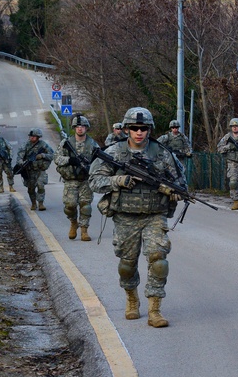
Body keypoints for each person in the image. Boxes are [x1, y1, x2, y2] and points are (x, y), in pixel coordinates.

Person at [89, 107, 186, 328]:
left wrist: (172, 190)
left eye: (143, 128)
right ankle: (132, 298)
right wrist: (118, 181)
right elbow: (94, 181)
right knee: (127, 264)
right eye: (134, 128)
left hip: (155, 215)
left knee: (158, 259)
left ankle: (155, 309)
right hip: (125, 217)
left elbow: (181, 183)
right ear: (126, 129)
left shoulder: (162, 153)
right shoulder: (114, 152)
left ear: (149, 130)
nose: (139, 132)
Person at [55, 114, 101, 241]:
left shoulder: (93, 144)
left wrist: (91, 168)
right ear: (74, 128)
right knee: (70, 206)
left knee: (85, 205)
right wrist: (70, 160)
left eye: (83, 127)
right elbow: (57, 158)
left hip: (85, 180)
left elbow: (99, 162)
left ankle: (84, 230)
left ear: (87, 128)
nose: (80, 129)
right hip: (70, 180)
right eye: (77, 127)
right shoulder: (66, 143)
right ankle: (73, 222)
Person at [15, 128, 55, 210]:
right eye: (31, 136)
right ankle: (33, 203)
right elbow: (19, 157)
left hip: (40, 170)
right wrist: (23, 163)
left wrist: (43, 155)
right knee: (31, 188)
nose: (32, 138)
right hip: (29, 171)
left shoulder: (43, 145)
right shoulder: (25, 145)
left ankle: (41, 203)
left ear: (38, 137)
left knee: (41, 186)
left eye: (34, 136)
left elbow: (52, 155)